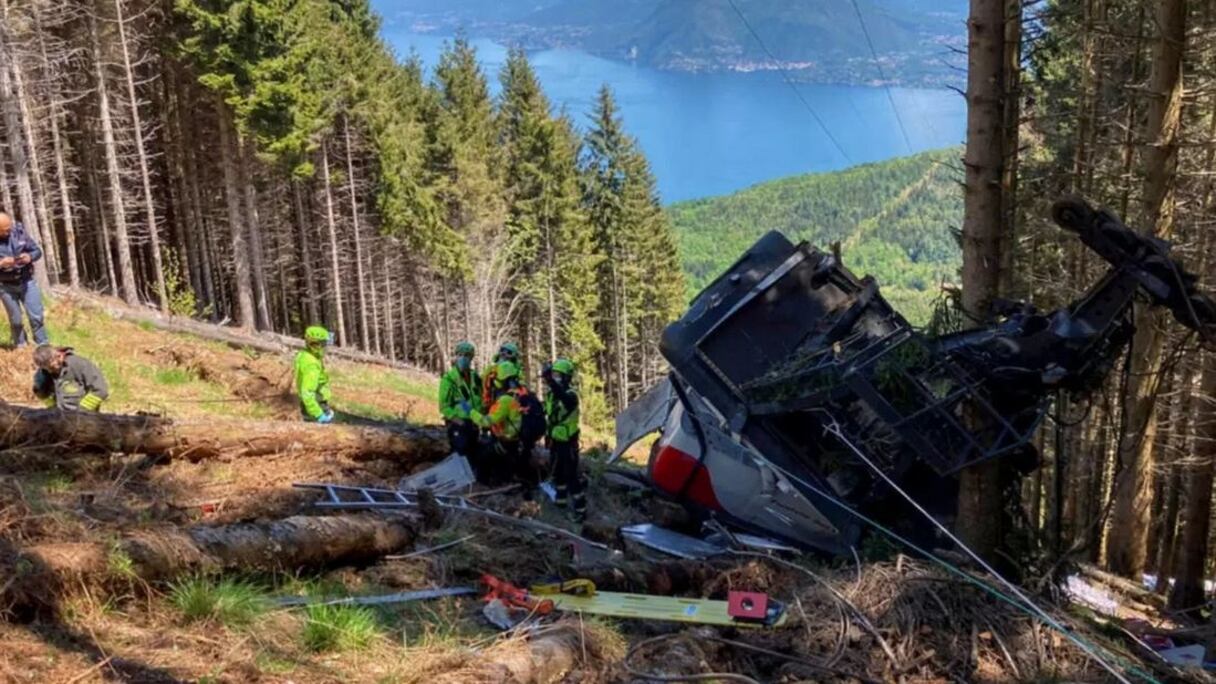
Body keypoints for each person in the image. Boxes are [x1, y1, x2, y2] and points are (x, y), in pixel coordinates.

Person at [475, 360, 541, 496]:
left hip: (507, 442)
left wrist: (470, 411)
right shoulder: (522, 394)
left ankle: (484, 489)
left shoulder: (505, 400)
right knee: (508, 468)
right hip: (519, 442)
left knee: (482, 458)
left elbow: (486, 421)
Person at [543, 358, 585, 520]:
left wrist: (550, 381)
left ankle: (580, 510)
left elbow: (565, 401)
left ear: (567, 377)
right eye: (553, 375)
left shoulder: (571, 395)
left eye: (558, 375)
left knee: (571, 476)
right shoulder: (551, 396)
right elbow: (549, 415)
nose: (555, 378)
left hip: (568, 443)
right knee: (558, 475)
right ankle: (560, 503)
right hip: (555, 441)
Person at [0, 212, 47, 348]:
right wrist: (2, 264)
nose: (8, 232)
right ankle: (21, 346)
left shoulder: (19, 233)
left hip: (27, 281)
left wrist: (29, 257)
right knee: (16, 321)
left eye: (9, 228)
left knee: (36, 317)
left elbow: (37, 251)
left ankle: (42, 344)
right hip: (5, 286)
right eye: (4, 231)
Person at [438, 340, 484, 459]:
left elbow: (480, 399)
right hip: (458, 425)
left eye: (466, 355)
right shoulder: (449, 379)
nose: (463, 358)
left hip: (474, 424)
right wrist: (458, 421)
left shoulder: (475, 378)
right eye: (460, 355)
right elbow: (444, 407)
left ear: (471, 357)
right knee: (460, 457)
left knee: (474, 457)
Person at [31, 345, 109, 412]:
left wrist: (82, 411)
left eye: (53, 368)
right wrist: (53, 409)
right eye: (48, 369)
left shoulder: (79, 364)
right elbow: (41, 393)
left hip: (84, 417)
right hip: (60, 418)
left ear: (59, 356)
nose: (51, 371)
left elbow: (101, 390)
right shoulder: (43, 373)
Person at [295, 325, 335, 423]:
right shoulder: (311, 364)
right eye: (324, 344)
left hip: (312, 405)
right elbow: (307, 392)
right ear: (316, 345)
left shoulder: (305, 355)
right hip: (316, 405)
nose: (326, 348)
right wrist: (319, 414)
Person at [481, 341, 521, 408]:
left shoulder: (511, 367)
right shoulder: (492, 367)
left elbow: (514, 389)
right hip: (492, 398)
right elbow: (483, 379)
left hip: (501, 397)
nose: (504, 354)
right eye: (503, 351)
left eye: (508, 352)